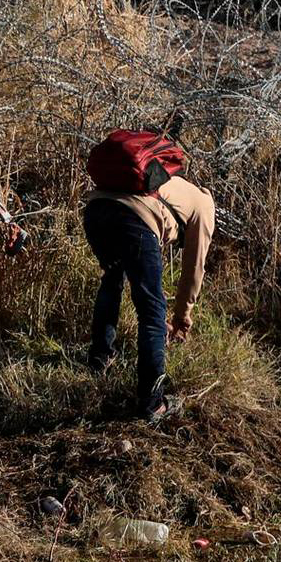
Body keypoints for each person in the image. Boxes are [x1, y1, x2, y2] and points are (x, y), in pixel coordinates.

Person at [82, 143, 215, 424]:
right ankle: (152, 403)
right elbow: (194, 268)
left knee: (112, 278)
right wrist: (182, 318)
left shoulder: (169, 183)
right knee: (152, 311)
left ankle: (100, 359)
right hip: (134, 219)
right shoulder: (204, 207)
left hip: (96, 212)